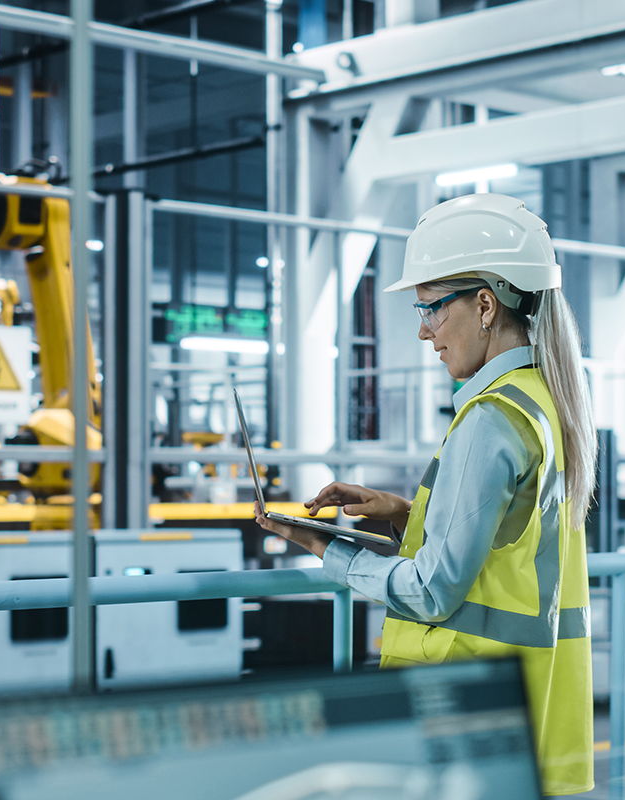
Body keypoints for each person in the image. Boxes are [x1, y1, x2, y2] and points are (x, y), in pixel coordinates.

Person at [255, 193, 596, 796]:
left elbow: (434, 591)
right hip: (530, 701)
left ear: (486, 305)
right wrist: (404, 516)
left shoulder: (490, 419)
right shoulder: (544, 401)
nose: (422, 330)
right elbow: (509, 540)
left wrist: (323, 547)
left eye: (432, 309)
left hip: (463, 706)